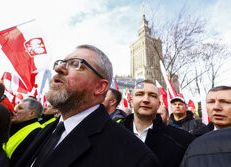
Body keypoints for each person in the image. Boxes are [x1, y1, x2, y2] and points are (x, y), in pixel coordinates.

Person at [15, 44, 160, 167]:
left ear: (99, 87)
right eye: (61, 63)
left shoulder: (136, 158)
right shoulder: (49, 130)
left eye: (75, 64)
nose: (59, 68)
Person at [123, 80, 195, 167]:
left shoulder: (182, 140)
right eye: (140, 94)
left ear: (159, 104)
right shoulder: (113, 135)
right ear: (131, 101)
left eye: (152, 96)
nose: (146, 100)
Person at [4, 98, 43, 166]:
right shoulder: (14, 124)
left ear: (31, 113)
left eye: (20, 108)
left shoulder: (37, 132)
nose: (14, 110)